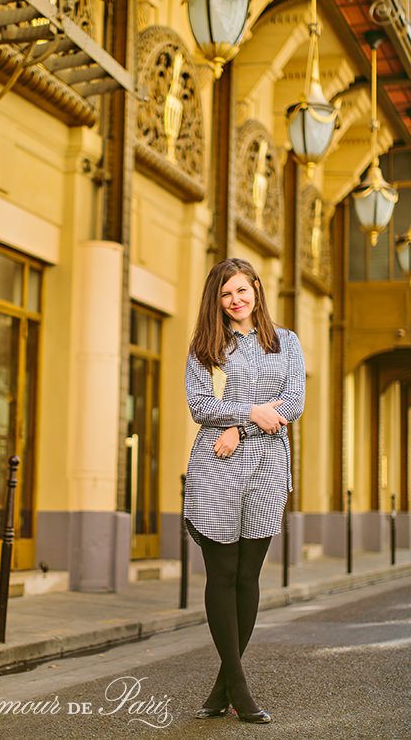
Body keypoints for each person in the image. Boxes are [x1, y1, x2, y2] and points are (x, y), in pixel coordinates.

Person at [183, 258, 304, 724]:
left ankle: (222, 686)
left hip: (268, 468)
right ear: (216, 301)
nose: (236, 301)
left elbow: (292, 402)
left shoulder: (286, 342)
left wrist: (238, 422)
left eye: (241, 290)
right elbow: (200, 405)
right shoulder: (205, 347)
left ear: (256, 288)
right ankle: (240, 689)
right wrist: (248, 414)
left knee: (250, 576)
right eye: (225, 295)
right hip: (218, 465)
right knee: (223, 575)